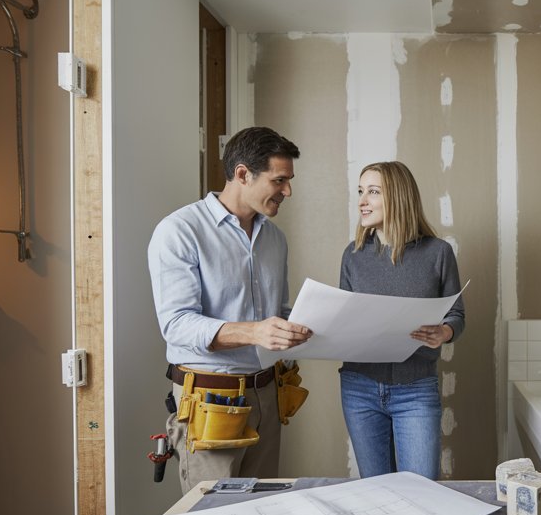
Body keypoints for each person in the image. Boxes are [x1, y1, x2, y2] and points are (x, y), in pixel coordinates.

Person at [148, 126, 312, 493]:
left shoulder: (275, 238)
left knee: (264, 512)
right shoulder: (180, 231)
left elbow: (277, 311)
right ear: (242, 174)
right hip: (210, 401)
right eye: (279, 180)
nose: (287, 191)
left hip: (269, 396)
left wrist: (306, 325)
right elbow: (176, 325)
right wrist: (255, 331)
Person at [339, 161, 465, 479]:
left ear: (398, 196)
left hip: (416, 388)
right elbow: (344, 321)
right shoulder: (352, 256)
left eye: (373, 191)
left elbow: (456, 314)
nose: (362, 200)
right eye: (360, 191)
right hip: (359, 388)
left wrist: (445, 332)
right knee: (377, 493)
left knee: (422, 491)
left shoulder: (438, 253)